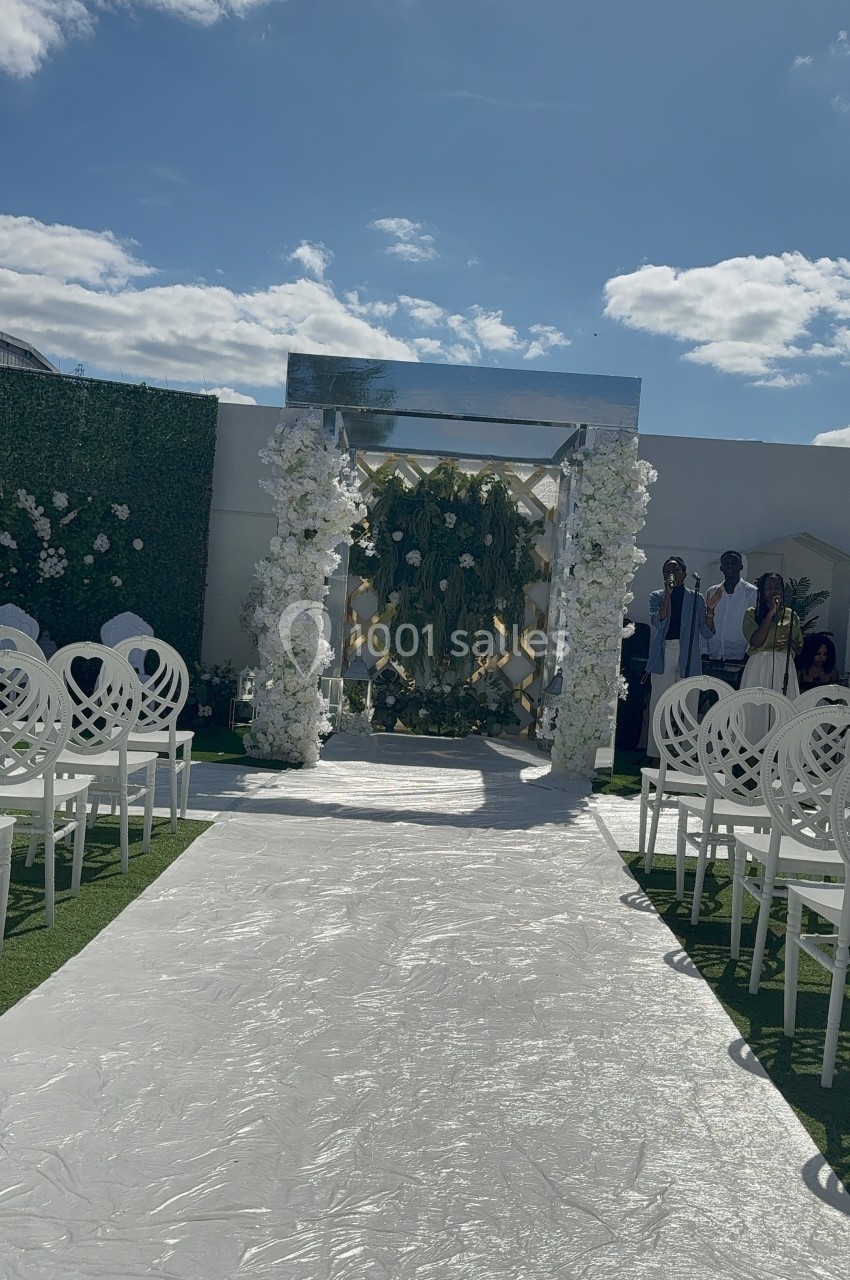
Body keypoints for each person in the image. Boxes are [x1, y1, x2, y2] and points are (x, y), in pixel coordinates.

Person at [644, 556, 714, 764]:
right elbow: (659, 621)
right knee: (659, 703)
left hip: (689, 654)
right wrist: (668, 595)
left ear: (684, 573)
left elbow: (707, 633)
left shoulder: (696, 598)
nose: (671, 573)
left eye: (675, 569)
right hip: (665, 651)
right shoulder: (656, 596)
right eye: (667, 570)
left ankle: (688, 754)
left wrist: (710, 611)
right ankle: (655, 754)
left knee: (690, 704)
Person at [741, 573, 803, 739]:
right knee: (756, 712)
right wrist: (770, 614)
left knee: (783, 711)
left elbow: (799, 649)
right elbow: (756, 641)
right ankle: (752, 755)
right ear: (761, 591)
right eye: (768, 588)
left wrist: (791, 642)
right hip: (760, 665)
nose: (773, 591)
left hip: (784, 665)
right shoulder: (751, 614)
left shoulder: (792, 615)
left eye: (776, 587)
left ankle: (778, 756)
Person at [703, 550, 758, 685]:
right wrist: (704, 650)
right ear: (721, 567)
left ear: (741, 566)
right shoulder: (712, 591)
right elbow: (705, 621)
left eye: (734, 563)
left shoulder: (751, 592)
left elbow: (755, 624)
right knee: (712, 699)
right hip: (714, 655)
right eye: (726, 563)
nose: (730, 566)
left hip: (739, 658)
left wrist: (747, 654)